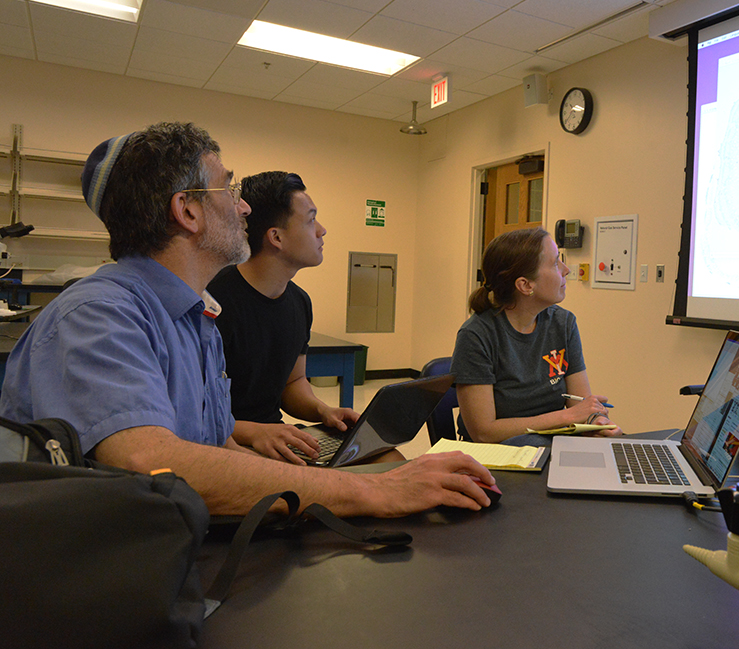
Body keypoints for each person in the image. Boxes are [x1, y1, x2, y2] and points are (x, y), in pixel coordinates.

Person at [0, 121, 495, 516]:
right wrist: (373, 494)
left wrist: (353, 480)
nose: (242, 205)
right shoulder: (100, 314)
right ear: (187, 212)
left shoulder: (196, 318)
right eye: (227, 188)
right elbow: (148, 463)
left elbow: (219, 450)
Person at [207, 171, 359, 465]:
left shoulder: (299, 302)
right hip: (226, 446)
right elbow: (195, 413)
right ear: (276, 237)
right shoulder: (214, 303)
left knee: (386, 456)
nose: (322, 230)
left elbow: (293, 383)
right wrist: (256, 433)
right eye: (311, 220)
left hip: (277, 439)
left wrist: (322, 411)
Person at [451, 227, 622, 445]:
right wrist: (567, 417)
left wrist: (595, 420)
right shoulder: (476, 336)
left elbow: (579, 404)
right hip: (498, 456)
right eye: (554, 263)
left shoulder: (563, 323)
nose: (566, 269)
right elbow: (484, 433)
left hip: (551, 445)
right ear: (525, 285)